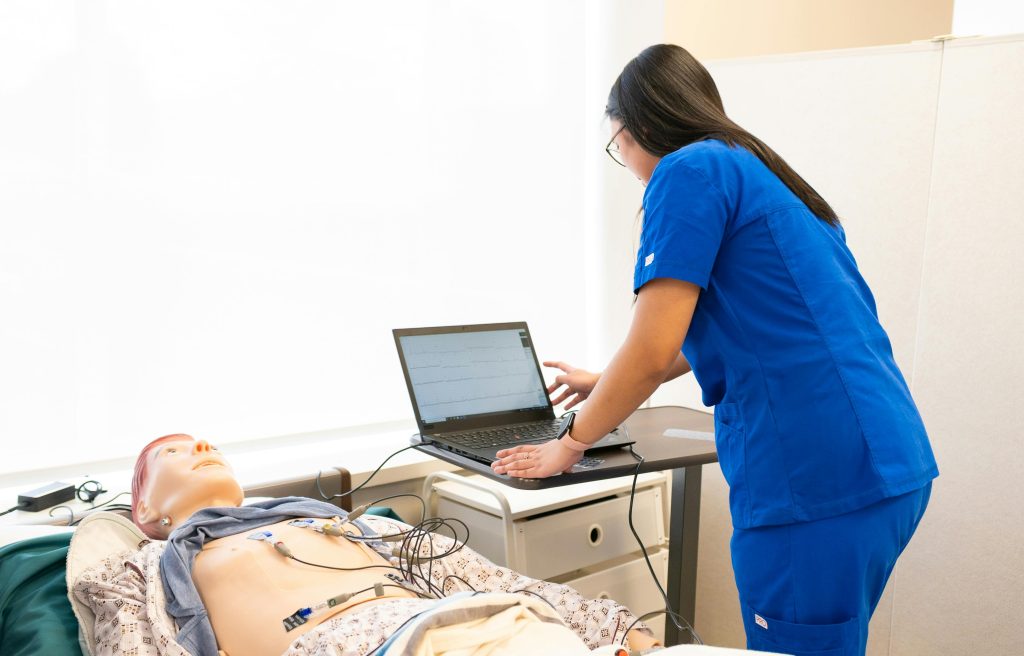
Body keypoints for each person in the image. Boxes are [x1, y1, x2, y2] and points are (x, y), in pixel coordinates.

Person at [491, 44, 938, 656]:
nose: (624, 161)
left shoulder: (688, 171)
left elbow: (651, 350)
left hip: (814, 477)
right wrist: (606, 379)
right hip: (886, 461)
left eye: (615, 144)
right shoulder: (762, 172)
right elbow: (727, 329)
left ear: (641, 125)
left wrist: (569, 444)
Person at [71, 434, 660, 656]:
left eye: (207, 444)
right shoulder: (137, 568)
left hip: (486, 624)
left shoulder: (353, 526)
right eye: (174, 451)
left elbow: (489, 580)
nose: (201, 446)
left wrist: (609, 625)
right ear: (144, 509)